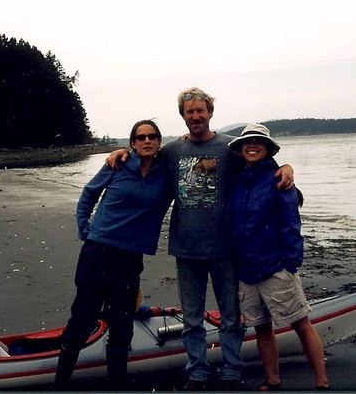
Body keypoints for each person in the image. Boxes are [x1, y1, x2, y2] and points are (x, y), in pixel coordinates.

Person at [107, 88, 293, 390]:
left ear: (210, 113)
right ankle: (197, 372)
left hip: (226, 248)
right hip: (187, 248)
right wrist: (122, 152)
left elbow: (260, 169)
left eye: (200, 111)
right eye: (190, 111)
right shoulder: (171, 151)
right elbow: (143, 161)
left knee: (232, 317)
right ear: (183, 115)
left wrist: (286, 167)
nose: (196, 116)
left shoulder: (229, 149)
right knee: (192, 319)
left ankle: (232, 371)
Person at [54, 120, 173, 391]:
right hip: (98, 252)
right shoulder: (116, 165)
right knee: (82, 320)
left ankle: (117, 386)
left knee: (122, 326)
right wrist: (85, 228)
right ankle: (60, 385)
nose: (146, 141)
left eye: (152, 137)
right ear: (132, 143)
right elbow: (89, 193)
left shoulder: (165, 174)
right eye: (140, 137)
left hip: (130, 258)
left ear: (159, 142)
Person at [228, 123, 330, 391]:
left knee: (301, 323)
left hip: (275, 267)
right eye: (247, 141)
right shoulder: (237, 178)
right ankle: (272, 379)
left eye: (258, 142)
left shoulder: (279, 179)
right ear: (240, 148)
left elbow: (291, 224)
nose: (252, 145)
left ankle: (322, 380)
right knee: (262, 328)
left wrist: (291, 263)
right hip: (246, 270)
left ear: (268, 148)